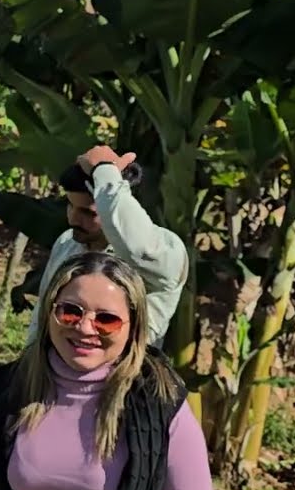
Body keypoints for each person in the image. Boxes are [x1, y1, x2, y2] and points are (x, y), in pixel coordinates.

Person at [0, 252, 219, 490]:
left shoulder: (160, 405)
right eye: (70, 311)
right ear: (49, 313)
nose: (85, 328)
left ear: (133, 328)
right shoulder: (7, 389)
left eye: (106, 319)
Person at [27, 145, 187, 347]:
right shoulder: (68, 242)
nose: (73, 218)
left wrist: (103, 168)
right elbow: (42, 316)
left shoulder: (164, 252)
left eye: (89, 212)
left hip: (122, 377)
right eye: (70, 205)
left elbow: (138, 248)